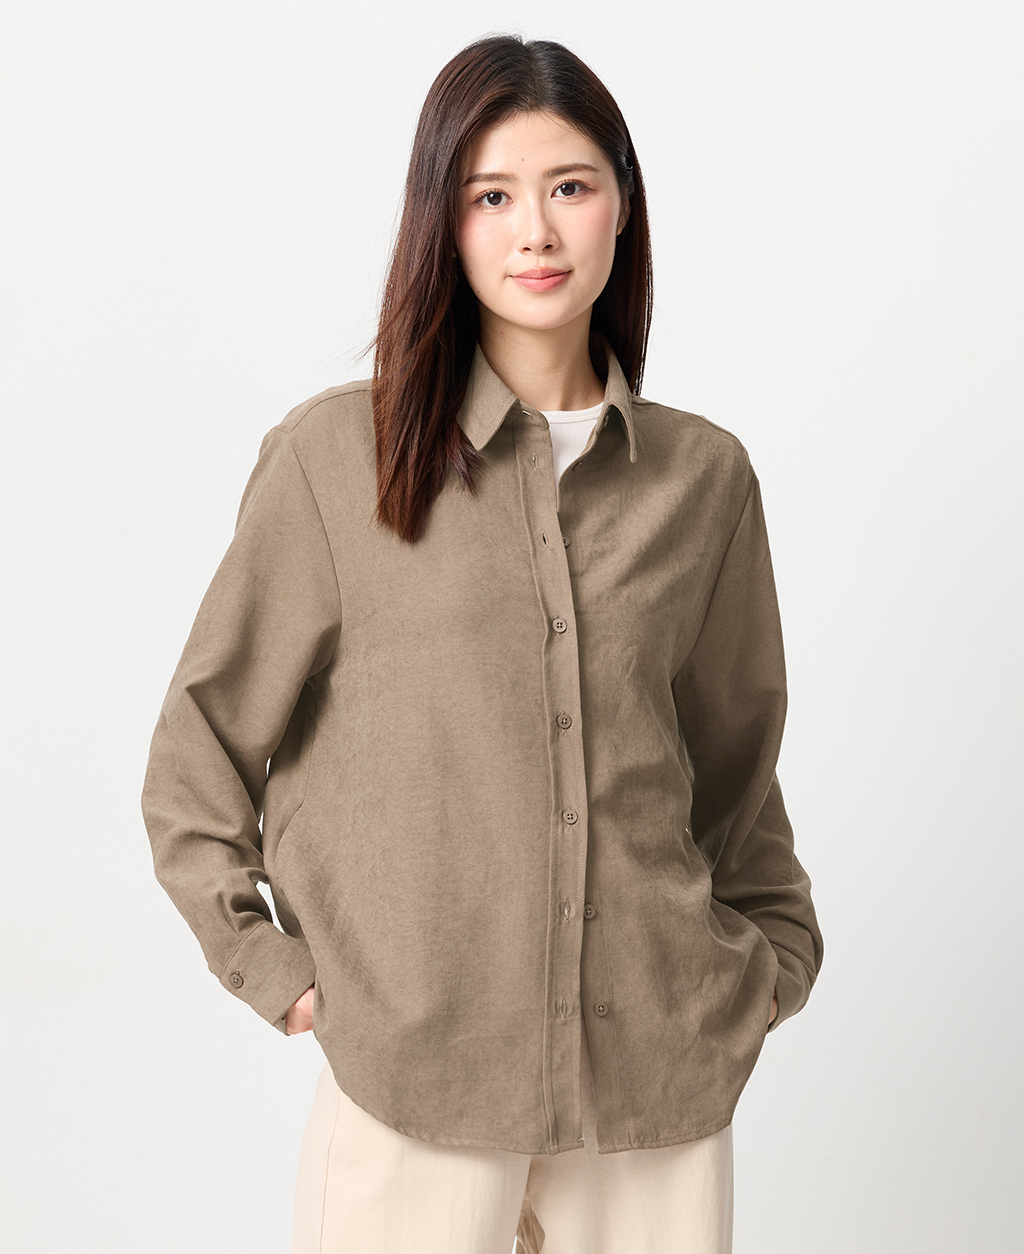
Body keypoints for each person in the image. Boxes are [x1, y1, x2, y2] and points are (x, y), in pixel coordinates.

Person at [141, 32, 824, 1254]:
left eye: (570, 187)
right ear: (442, 224)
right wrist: (270, 968)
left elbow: (733, 764)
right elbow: (201, 749)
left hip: (657, 1078)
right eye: (491, 196)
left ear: (623, 204)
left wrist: (770, 962)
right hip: (415, 1076)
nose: (536, 232)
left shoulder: (704, 479)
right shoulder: (334, 461)